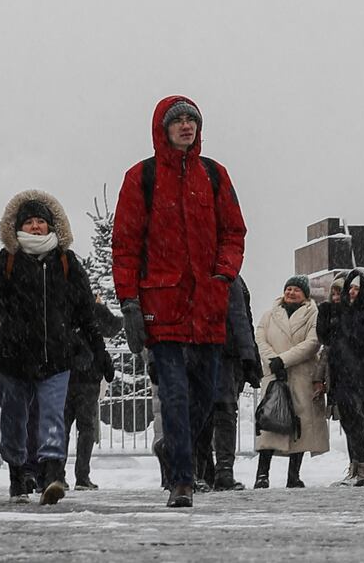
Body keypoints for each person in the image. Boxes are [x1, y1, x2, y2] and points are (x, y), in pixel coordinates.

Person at [111, 96, 247, 508]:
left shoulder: (214, 175)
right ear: (163, 129)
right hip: (162, 302)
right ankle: (182, 481)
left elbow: (234, 231)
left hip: (207, 303)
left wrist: (223, 273)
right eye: (178, 121)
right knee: (172, 393)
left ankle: (173, 447)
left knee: (205, 394)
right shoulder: (142, 177)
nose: (186, 126)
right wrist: (130, 301)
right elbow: (125, 244)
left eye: (192, 120)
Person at [0, 190, 111, 506]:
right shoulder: (9, 260)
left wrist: (99, 350)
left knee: (53, 417)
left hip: (55, 357)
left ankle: (53, 474)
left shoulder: (65, 262)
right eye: (29, 221)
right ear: (18, 227)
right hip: (13, 358)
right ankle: (18, 472)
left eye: (41, 221)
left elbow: (85, 310)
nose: (36, 227)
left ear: (52, 226)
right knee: (14, 418)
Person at [251, 275, 326, 488]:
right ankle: (262, 474)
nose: (291, 292)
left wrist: (283, 360)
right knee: (270, 423)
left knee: (299, 425)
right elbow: (261, 339)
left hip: (301, 375)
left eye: (296, 290)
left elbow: (312, 343)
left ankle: (294, 474)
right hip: (275, 377)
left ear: (305, 294)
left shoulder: (314, 315)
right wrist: (272, 360)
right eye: (288, 289)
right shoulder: (269, 315)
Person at [322, 268, 364, 487]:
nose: (351, 292)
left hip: (363, 376)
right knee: (349, 424)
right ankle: (355, 467)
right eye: (350, 288)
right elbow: (327, 337)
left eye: (356, 289)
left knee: (358, 423)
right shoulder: (341, 312)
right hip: (343, 375)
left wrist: (347, 321)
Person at [197, 277, 259, 491]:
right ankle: (208, 472)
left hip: (224, 354)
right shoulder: (228, 278)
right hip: (212, 350)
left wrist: (249, 354)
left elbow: (243, 319)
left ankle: (215, 472)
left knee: (219, 413)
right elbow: (241, 319)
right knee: (213, 414)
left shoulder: (232, 279)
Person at [65, 295, 125, 491]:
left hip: (66, 377)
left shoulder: (66, 309)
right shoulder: (94, 310)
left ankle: (55, 474)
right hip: (89, 380)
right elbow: (116, 326)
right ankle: (82, 476)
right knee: (87, 429)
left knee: (61, 428)